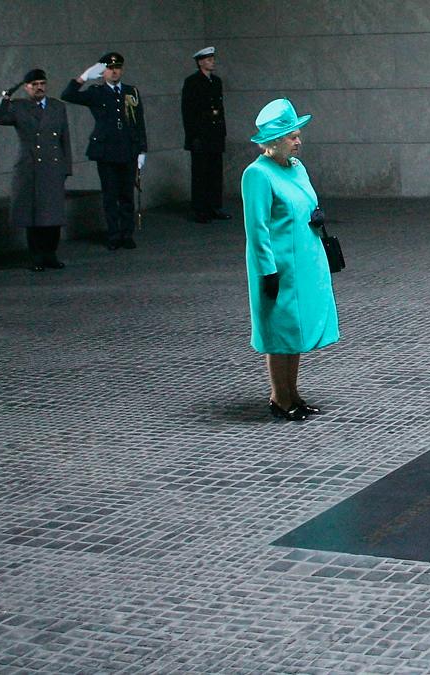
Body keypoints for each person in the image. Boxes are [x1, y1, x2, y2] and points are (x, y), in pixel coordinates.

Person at [241, 99, 339, 421]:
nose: (299, 141)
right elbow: (257, 230)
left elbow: (306, 202)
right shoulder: (257, 175)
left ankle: (292, 392)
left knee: (294, 331)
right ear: (274, 140)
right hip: (279, 268)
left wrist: (315, 216)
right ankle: (279, 397)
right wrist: (267, 271)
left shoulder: (297, 168)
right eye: (292, 136)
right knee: (278, 332)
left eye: (298, 135)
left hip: (306, 264)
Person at [61, 52, 147, 250]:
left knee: (126, 194)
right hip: (106, 150)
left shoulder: (131, 92)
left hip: (128, 149)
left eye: (118, 68)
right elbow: (67, 95)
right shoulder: (96, 92)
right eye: (110, 68)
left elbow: (138, 122)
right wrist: (82, 78)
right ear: (103, 71)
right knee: (110, 195)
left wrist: (142, 149)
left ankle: (127, 233)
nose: (114, 71)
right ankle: (114, 234)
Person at [0, 69, 72, 271]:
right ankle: (37, 256)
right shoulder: (18, 107)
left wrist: (66, 167)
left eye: (42, 83)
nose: (39, 87)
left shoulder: (57, 107)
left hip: (52, 167)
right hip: (30, 167)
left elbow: (65, 139)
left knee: (53, 216)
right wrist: (5, 97)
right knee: (33, 215)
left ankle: (50, 254)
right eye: (34, 84)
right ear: (27, 87)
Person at [181, 46, 228, 223]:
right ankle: (200, 209)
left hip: (215, 134)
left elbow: (220, 109)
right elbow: (188, 111)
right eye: (208, 60)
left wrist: (222, 132)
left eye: (212, 59)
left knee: (215, 172)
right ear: (200, 62)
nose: (212, 62)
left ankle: (214, 206)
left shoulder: (216, 81)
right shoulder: (192, 82)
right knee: (201, 173)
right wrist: (193, 136)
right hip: (200, 135)